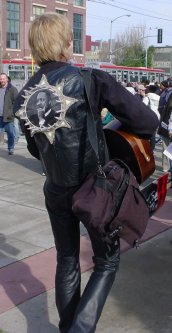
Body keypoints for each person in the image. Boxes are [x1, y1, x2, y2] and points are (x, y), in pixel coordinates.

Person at [13, 13, 159, 333]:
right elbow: (148, 123)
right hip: (95, 190)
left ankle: (69, 327)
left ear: (36, 48)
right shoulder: (91, 79)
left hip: (55, 190)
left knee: (66, 260)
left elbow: (38, 152)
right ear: (67, 44)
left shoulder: (25, 94)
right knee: (106, 262)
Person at [0, 73, 18, 155]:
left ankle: (10, 148)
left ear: (7, 79)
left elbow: (16, 102)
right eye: (0, 79)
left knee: (10, 133)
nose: (1, 80)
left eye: (3, 79)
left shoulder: (12, 89)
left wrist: (12, 113)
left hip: (8, 116)